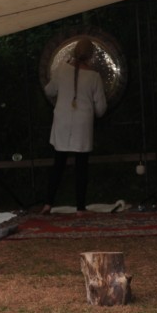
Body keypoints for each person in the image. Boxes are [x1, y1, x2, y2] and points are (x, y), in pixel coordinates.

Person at [41, 38, 107, 214]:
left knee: (58, 163)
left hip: (62, 120)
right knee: (81, 165)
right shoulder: (94, 77)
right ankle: (80, 208)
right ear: (91, 56)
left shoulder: (61, 69)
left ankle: (48, 203)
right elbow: (101, 108)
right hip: (82, 122)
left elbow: (49, 90)